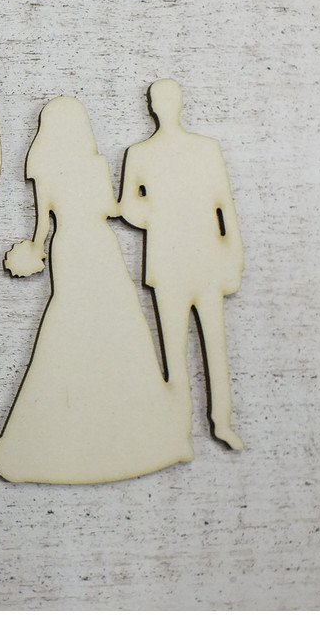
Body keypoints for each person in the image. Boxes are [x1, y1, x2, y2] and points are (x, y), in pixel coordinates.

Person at [0, 97, 192, 484]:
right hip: (100, 245)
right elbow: (113, 209)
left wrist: (31, 250)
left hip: (68, 246)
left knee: (69, 321)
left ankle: (55, 428)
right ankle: (135, 424)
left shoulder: (44, 167)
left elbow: (42, 228)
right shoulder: (94, 163)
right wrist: (138, 194)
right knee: (118, 323)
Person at [119, 79, 244, 450]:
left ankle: (222, 422)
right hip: (167, 263)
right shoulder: (139, 154)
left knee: (214, 345)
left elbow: (224, 207)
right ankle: (180, 428)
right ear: (152, 107)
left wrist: (234, 257)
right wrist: (158, 214)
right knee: (173, 349)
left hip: (206, 261)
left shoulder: (207, 149)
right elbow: (129, 207)